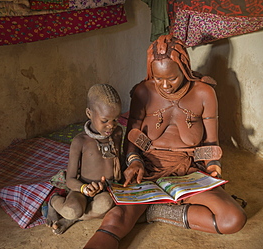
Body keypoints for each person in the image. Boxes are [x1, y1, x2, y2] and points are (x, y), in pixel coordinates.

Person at [84, 34, 247, 249]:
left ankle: (156, 210)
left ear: (184, 69)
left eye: (172, 78)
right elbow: (133, 135)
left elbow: (210, 142)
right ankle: (150, 205)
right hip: (147, 168)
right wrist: (134, 161)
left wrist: (213, 167)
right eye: (158, 78)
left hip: (189, 169)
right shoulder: (143, 91)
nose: (165, 85)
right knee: (116, 219)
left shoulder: (204, 93)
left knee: (233, 218)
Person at [46, 83, 123, 234]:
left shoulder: (118, 133)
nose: (111, 125)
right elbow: (70, 179)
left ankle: (72, 219)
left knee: (107, 203)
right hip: (81, 189)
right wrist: (85, 189)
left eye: (115, 119)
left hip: (105, 190)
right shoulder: (80, 141)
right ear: (89, 113)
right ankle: (54, 202)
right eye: (105, 120)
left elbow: (119, 161)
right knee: (73, 210)